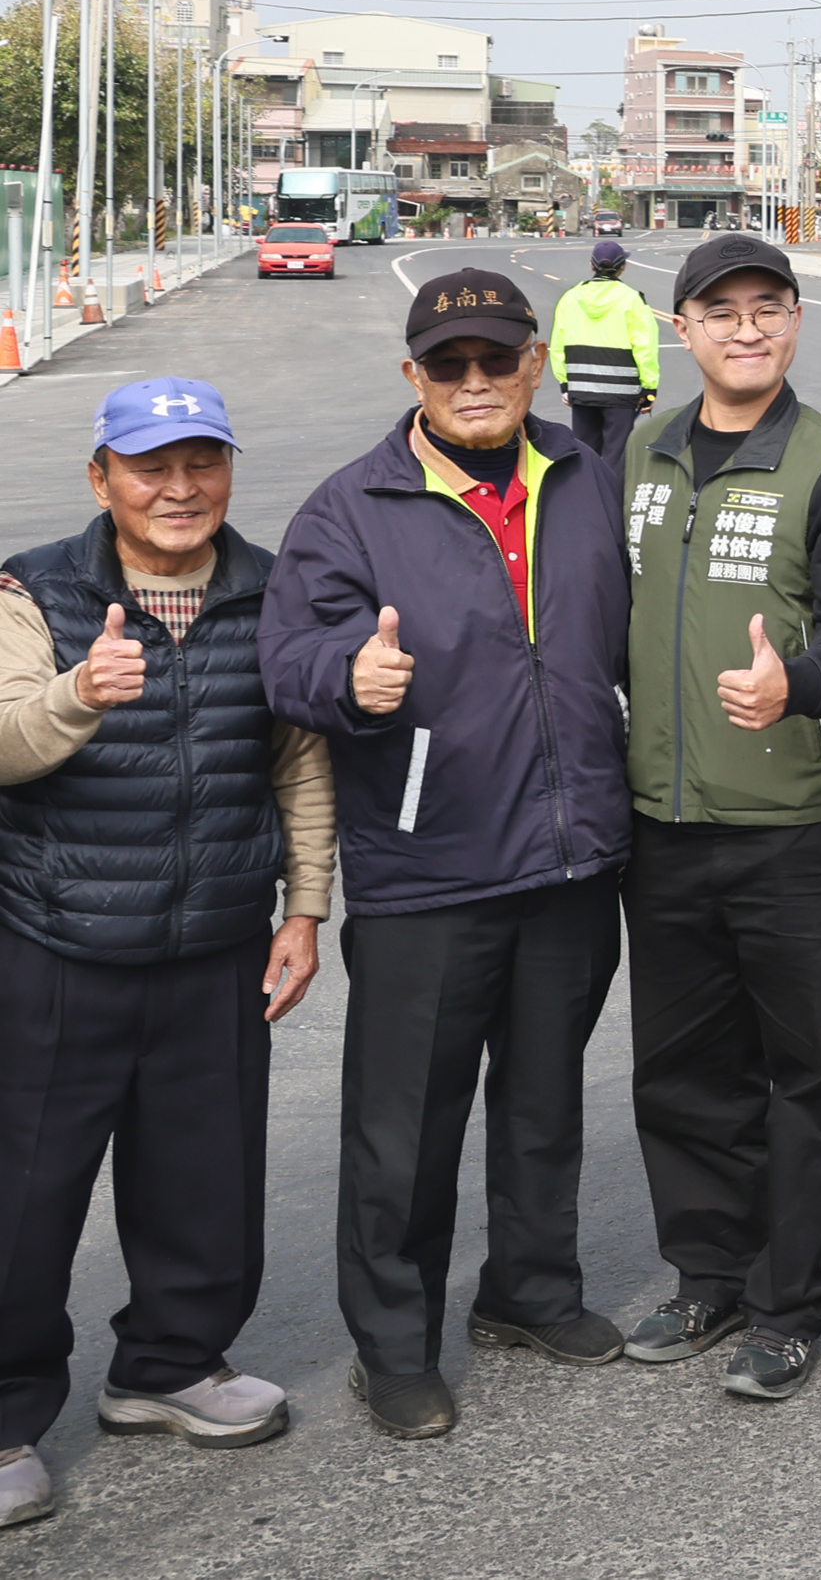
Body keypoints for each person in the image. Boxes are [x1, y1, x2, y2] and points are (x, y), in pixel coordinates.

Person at [260, 267, 636, 1441]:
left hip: (572, 859)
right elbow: (286, 659)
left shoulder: (583, 475)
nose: (475, 382)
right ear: (413, 377)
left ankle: (529, 1291)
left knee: (543, 1103)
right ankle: (394, 1344)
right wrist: (348, 678)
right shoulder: (351, 506)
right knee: (403, 1129)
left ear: (535, 364)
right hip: (431, 872)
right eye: (449, 363)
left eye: (496, 359)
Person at [0, 381, 333, 1530]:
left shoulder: (273, 588)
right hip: (58, 941)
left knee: (205, 1174)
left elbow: (298, 758)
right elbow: (1, 741)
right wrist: (81, 694)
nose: (179, 487)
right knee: (24, 1190)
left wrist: (305, 908)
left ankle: (171, 1364)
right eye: (150, 464)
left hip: (218, 941)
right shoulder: (33, 588)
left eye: (202, 461)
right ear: (102, 478)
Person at [612, 234, 821, 1404]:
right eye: (717, 310)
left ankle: (788, 1301)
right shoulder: (642, 445)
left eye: (765, 308)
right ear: (681, 328)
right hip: (665, 820)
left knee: (803, 1072)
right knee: (682, 1071)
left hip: (799, 826)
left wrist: (798, 683)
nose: (743, 328)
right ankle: (708, 1271)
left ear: (793, 323)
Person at [548, 239, 659, 463]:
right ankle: (612, 497)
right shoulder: (632, 299)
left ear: (592, 265)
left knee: (584, 452)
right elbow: (645, 346)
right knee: (616, 454)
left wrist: (565, 384)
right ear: (623, 267)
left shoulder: (570, 297)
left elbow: (558, 345)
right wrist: (649, 388)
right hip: (621, 392)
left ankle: (588, 495)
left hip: (581, 388)